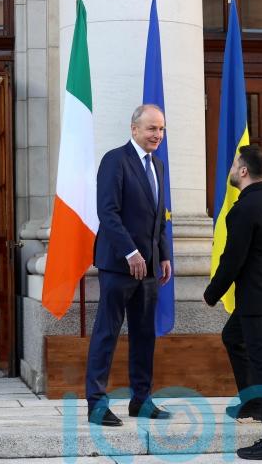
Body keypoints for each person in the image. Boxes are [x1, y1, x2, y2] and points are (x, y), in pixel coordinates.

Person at [85, 104, 172, 427]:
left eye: (161, 129)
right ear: (134, 129)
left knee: (144, 334)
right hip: (119, 266)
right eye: (151, 128)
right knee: (106, 333)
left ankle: (141, 400)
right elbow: (107, 212)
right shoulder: (115, 160)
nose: (157, 135)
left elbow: (159, 215)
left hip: (149, 269)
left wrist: (163, 254)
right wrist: (131, 252)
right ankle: (96, 404)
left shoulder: (158, 165)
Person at [204, 145, 262, 461]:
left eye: (233, 165)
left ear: (243, 171)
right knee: (232, 336)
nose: (230, 170)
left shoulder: (244, 209)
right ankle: (253, 402)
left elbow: (233, 259)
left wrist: (212, 293)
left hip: (255, 299)